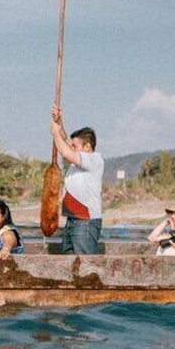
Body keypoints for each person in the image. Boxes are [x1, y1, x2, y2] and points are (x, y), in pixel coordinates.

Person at [50, 104, 104, 254]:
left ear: (87, 146)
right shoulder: (77, 162)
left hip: (85, 221)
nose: (71, 147)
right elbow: (64, 141)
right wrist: (58, 121)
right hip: (72, 219)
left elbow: (66, 152)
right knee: (69, 264)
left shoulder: (94, 160)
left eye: (75, 146)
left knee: (83, 264)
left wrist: (55, 134)